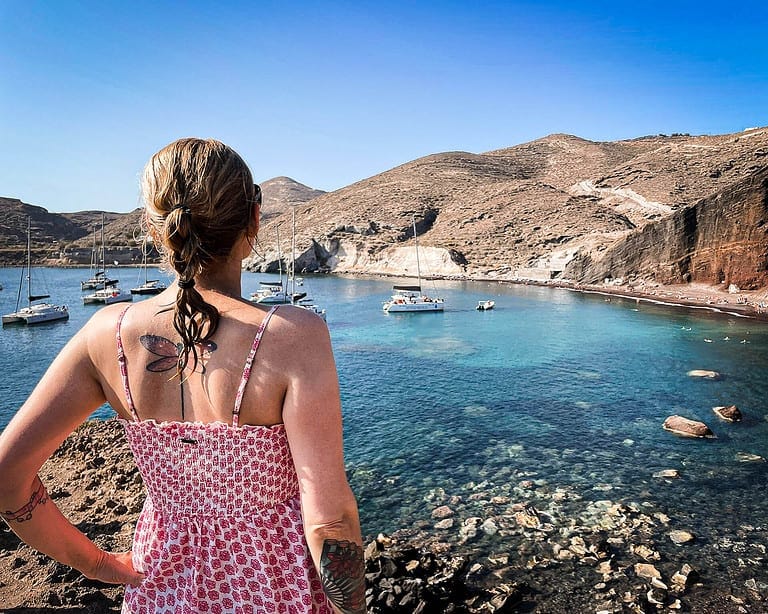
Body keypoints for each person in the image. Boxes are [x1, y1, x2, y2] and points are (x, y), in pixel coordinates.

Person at [0, 138, 365, 613]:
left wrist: (97, 565)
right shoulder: (292, 336)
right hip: (274, 588)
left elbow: (8, 474)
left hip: (160, 586)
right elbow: (330, 521)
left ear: (156, 229)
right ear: (254, 220)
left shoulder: (105, 336)